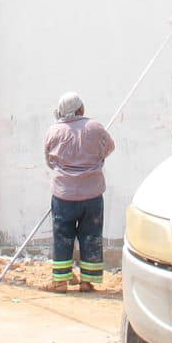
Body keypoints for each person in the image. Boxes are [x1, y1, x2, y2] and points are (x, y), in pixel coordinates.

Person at [43, 91, 116, 292]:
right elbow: (109, 147)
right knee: (91, 235)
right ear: (81, 108)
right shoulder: (95, 127)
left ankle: (60, 281)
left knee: (62, 236)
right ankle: (87, 281)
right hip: (92, 194)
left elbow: (49, 160)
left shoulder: (53, 131)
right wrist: (96, 159)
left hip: (63, 194)